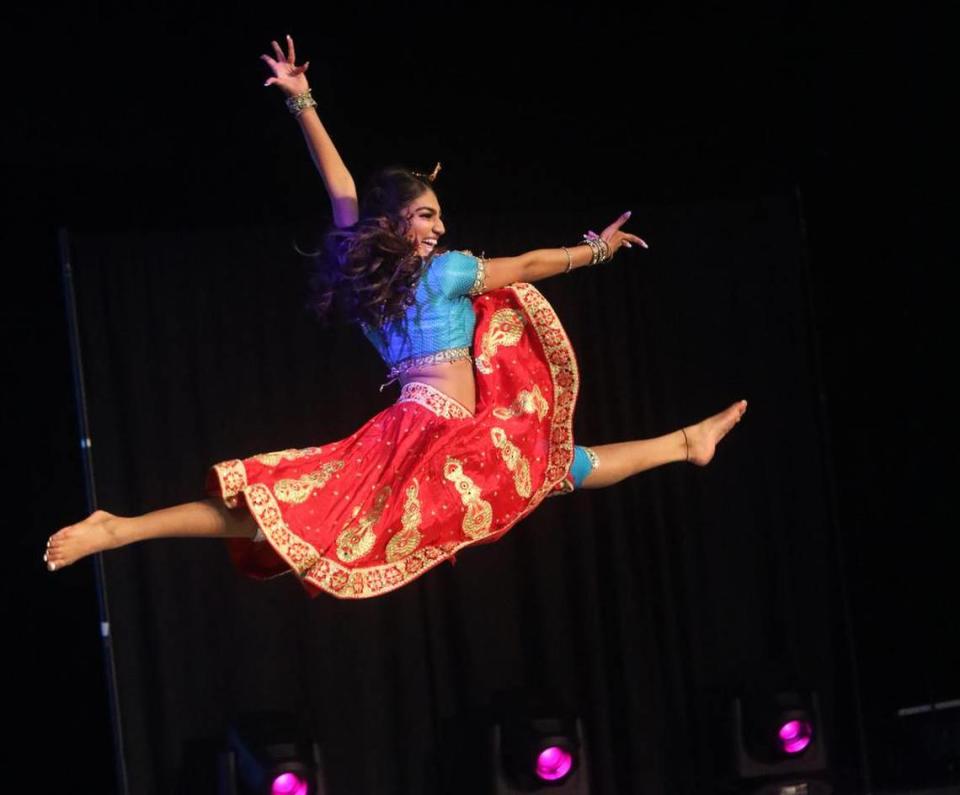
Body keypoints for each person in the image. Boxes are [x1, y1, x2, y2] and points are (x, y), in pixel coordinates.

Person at [44, 36, 747, 598]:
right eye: (428, 215)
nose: (441, 228)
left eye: (440, 216)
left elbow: (341, 189)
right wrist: (594, 251)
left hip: (438, 430)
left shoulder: (369, 278)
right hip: (429, 433)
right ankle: (119, 528)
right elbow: (527, 265)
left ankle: (687, 442)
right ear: (398, 220)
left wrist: (302, 103)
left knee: (546, 468)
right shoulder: (442, 274)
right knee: (285, 513)